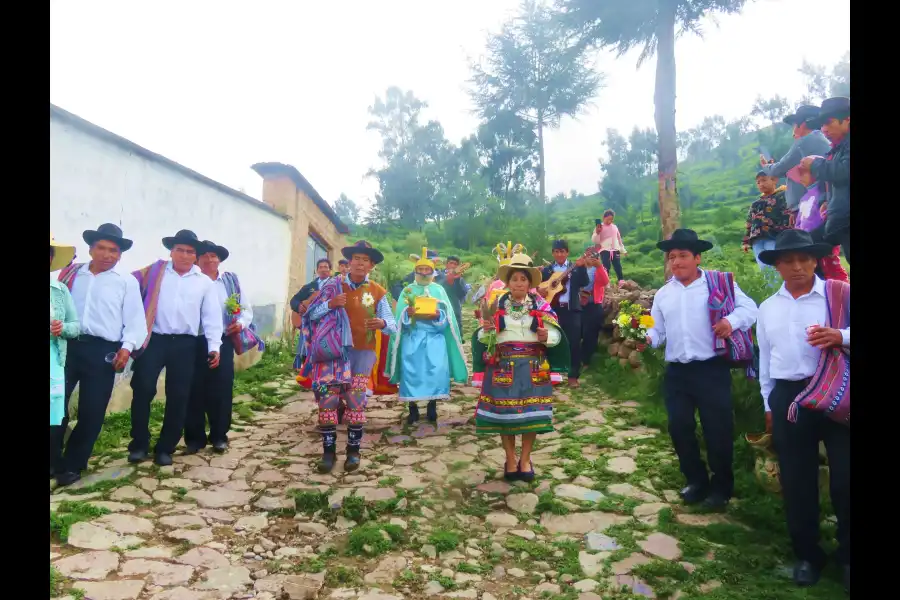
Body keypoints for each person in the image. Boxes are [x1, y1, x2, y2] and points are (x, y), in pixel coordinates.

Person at [756, 229, 850, 591]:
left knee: (845, 478)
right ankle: (808, 555)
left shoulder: (838, 295)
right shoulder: (768, 308)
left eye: (804, 259)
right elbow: (766, 358)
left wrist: (840, 336)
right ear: (778, 265)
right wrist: (768, 403)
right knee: (796, 480)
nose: (797, 266)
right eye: (789, 260)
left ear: (815, 260)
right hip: (789, 398)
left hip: (837, 392)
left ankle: (848, 556)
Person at [645, 229, 759, 509]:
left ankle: (722, 488)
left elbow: (751, 309)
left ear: (697, 258)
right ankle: (696, 481)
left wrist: (730, 322)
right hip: (677, 372)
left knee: (717, 429)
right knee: (679, 427)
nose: (676, 262)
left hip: (711, 369)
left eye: (683, 255)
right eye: (672, 257)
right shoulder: (663, 295)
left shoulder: (719, 284)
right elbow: (658, 334)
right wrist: (644, 340)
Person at [52, 224, 146, 486]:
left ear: (119, 255)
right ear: (91, 249)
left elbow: (135, 320)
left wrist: (126, 348)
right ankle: (53, 461)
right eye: (102, 248)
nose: (107, 254)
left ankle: (73, 465)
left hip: (103, 352)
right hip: (67, 347)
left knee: (92, 411)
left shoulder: (125, 282)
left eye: (113, 251)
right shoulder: (71, 274)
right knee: (56, 406)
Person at [127, 230, 224, 466]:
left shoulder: (204, 283)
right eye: (179, 250)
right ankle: (139, 444)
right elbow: (129, 290)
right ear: (171, 251)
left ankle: (165, 448)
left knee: (179, 395)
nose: (184, 255)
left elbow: (211, 318)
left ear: (195, 256)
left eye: (190, 251)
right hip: (154, 340)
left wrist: (214, 346)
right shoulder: (155, 273)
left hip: (185, 344)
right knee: (143, 389)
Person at [303, 240, 397, 473]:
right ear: (349, 262)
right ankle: (328, 452)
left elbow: (393, 325)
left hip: (362, 353)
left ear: (371, 266)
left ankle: (353, 452)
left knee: (356, 402)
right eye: (356, 259)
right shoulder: (331, 286)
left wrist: (383, 322)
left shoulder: (377, 292)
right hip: (332, 353)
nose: (360, 263)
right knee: (327, 401)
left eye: (365, 260)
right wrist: (330, 304)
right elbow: (311, 314)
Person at [473, 253, 569, 481]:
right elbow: (482, 338)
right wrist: (488, 330)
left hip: (533, 367)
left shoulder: (541, 305)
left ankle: (525, 459)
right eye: (514, 278)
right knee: (505, 417)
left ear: (529, 283)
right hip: (503, 366)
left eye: (523, 279)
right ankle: (510, 458)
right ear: (508, 282)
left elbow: (555, 334)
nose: (518, 283)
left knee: (530, 416)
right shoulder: (496, 305)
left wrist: (547, 336)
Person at [184, 240, 259, 454]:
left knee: (221, 388)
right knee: (193, 388)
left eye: (213, 256)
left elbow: (246, 309)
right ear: (197, 260)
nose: (209, 260)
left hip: (223, 340)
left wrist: (241, 323)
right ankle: (194, 438)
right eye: (204, 256)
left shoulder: (229, 282)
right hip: (195, 341)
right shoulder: (192, 281)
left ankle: (219, 436)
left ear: (219, 260)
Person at [387, 248, 468, 425]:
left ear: (432, 271)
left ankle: (432, 404)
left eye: (427, 270)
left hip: (434, 337)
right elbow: (400, 319)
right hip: (412, 337)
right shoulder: (407, 290)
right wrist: (408, 314)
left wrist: (437, 316)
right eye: (420, 270)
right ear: (415, 271)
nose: (424, 273)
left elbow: (448, 317)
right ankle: (413, 408)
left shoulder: (439, 290)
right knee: (411, 372)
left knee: (437, 370)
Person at [800, 97, 850, 264]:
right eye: (822, 125)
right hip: (842, 220)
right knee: (806, 246)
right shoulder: (836, 150)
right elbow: (834, 181)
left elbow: (844, 171)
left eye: (829, 123)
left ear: (847, 120)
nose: (824, 129)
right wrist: (825, 200)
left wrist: (815, 164)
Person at [758, 105, 832, 215]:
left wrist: (766, 166)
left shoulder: (805, 141)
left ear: (801, 125)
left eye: (794, 125)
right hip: (820, 201)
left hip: (810, 205)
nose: (793, 132)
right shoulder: (823, 139)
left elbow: (778, 169)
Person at [50, 234, 80, 478]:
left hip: (54, 360)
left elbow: (75, 325)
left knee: (54, 414)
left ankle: (54, 464)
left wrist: (63, 329)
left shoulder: (59, 291)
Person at [541, 239, 589, 388]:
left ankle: (573, 376)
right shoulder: (547, 270)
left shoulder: (574, 267)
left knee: (574, 343)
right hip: (552, 310)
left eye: (562, 251)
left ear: (567, 253)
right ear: (553, 253)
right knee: (550, 342)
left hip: (571, 309)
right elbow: (540, 288)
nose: (559, 254)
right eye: (557, 251)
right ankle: (551, 374)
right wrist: (540, 290)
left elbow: (584, 282)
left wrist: (582, 267)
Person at [742, 172, 792, 287]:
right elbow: (749, 223)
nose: (761, 184)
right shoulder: (755, 204)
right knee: (764, 267)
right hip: (756, 240)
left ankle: (784, 289)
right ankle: (772, 292)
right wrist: (745, 242)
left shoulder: (782, 196)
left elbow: (787, 216)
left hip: (774, 237)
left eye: (764, 180)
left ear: (774, 180)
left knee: (777, 265)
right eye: (758, 182)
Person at [579, 252, 610, 370]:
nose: (590, 259)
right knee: (577, 333)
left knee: (590, 334)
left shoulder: (599, 269)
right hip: (579, 304)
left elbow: (605, 282)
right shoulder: (580, 268)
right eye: (588, 257)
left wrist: (599, 267)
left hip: (594, 304)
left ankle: (586, 361)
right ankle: (575, 359)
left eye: (593, 257)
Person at [437, 254, 469, 337]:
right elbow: (437, 288)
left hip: (455, 310)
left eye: (455, 264)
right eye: (451, 263)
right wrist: (448, 279)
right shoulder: (438, 275)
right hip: (440, 309)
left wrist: (457, 280)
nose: (453, 266)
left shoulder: (460, 279)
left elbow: (462, 294)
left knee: (456, 335)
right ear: (446, 264)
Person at [591, 210, 627, 282]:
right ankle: (606, 282)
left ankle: (621, 281)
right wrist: (597, 233)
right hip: (604, 250)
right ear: (604, 218)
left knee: (618, 266)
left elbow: (619, 239)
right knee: (606, 266)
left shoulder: (614, 227)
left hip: (615, 249)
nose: (609, 221)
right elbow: (595, 241)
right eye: (608, 219)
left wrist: (623, 250)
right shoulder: (599, 227)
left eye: (611, 219)